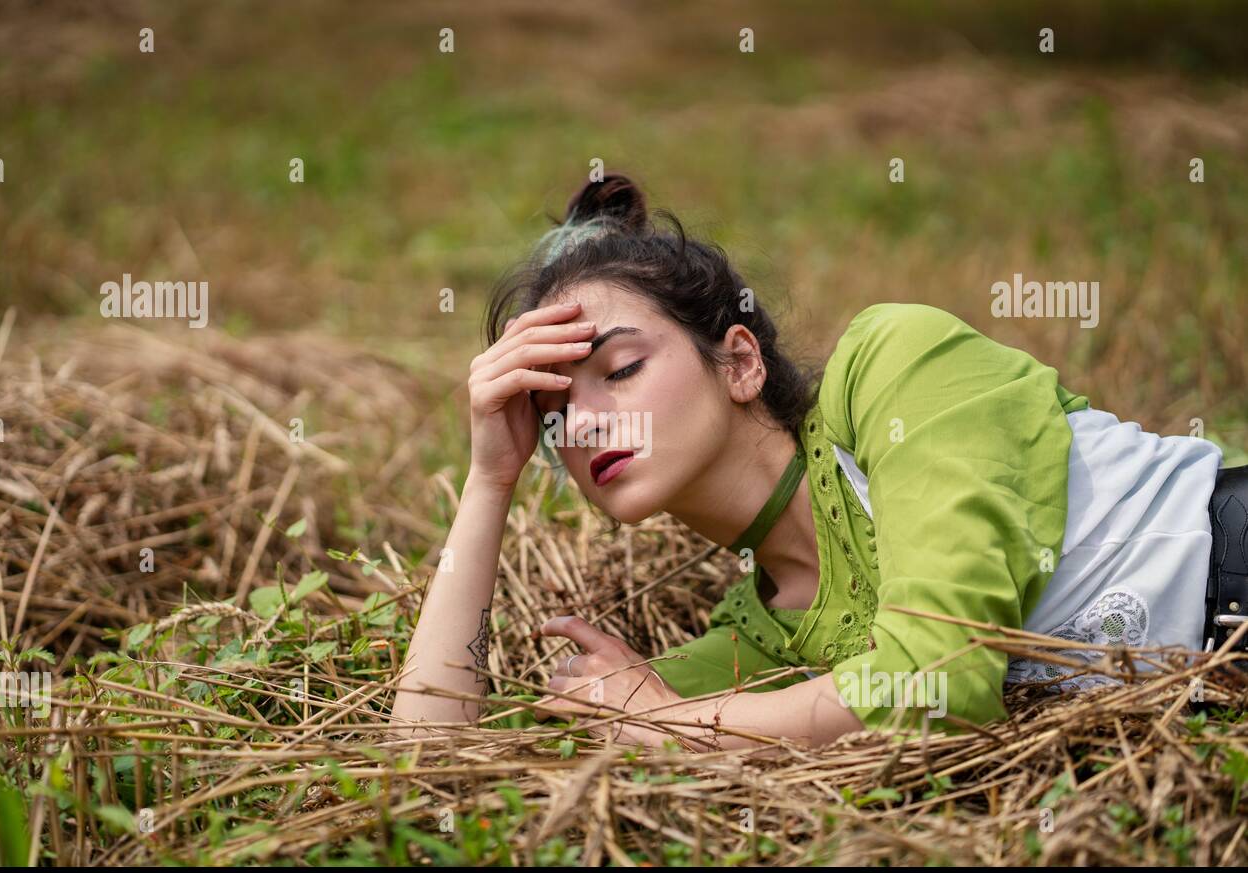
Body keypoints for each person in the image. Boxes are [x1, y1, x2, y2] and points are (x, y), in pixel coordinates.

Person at [388, 173, 1243, 751]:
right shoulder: (760, 640)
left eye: (621, 370)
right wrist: (488, 481)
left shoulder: (897, 365)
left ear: (739, 362)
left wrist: (674, 722)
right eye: (554, 413)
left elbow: (938, 686)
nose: (587, 424)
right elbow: (439, 770)